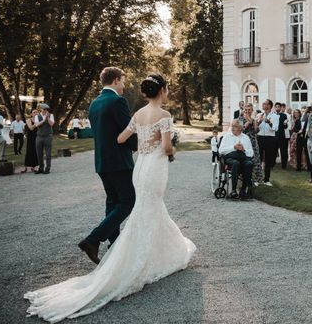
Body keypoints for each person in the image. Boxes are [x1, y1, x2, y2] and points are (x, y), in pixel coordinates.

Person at [26, 73, 196, 321]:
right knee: (142, 207)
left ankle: (120, 248)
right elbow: (168, 148)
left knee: (131, 206)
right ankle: (117, 250)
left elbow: (120, 137)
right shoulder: (162, 115)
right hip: (152, 168)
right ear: (161, 91)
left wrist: (146, 141)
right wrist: (165, 144)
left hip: (129, 167)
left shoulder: (128, 112)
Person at [77, 67, 139, 264]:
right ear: (114, 80)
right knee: (128, 201)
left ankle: (115, 245)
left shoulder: (94, 103)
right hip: (119, 162)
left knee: (113, 201)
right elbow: (127, 129)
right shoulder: (117, 101)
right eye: (122, 81)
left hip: (102, 162)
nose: (123, 85)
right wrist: (137, 145)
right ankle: (93, 239)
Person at [219, 121, 254, 199]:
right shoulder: (227, 136)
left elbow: (251, 153)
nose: (232, 128)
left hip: (243, 158)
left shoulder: (246, 137)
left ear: (240, 128)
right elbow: (221, 151)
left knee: (249, 164)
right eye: (232, 126)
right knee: (235, 163)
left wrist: (244, 150)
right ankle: (233, 190)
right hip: (230, 159)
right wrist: (234, 147)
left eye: (235, 126)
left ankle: (243, 190)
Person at [256, 99, 279, 186]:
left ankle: (266, 179)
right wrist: (260, 121)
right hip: (260, 137)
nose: (263, 105)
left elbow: (275, 128)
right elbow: (256, 128)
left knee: (268, 159)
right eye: (263, 103)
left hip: (270, 138)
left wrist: (269, 123)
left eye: (264, 104)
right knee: (259, 158)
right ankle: (257, 179)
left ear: (269, 106)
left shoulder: (275, 116)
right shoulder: (259, 115)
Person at [240, 103, 261, 185]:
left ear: (252, 110)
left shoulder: (254, 118)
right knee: (245, 159)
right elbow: (242, 129)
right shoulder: (241, 118)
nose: (248, 111)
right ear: (244, 110)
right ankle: (243, 177)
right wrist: (249, 121)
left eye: (249, 110)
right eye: (246, 110)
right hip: (244, 141)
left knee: (255, 159)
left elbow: (256, 130)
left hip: (253, 141)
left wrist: (255, 122)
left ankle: (255, 179)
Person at [34, 104, 55, 174]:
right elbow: (36, 125)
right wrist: (43, 120)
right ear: (41, 109)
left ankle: (47, 168)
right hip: (39, 137)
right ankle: (41, 168)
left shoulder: (51, 115)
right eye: (44, 109)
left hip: (48, 136)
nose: (45, 111)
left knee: (48, 153)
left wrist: (47, 118)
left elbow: (52, 124)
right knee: (39, 153)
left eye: (46, 109)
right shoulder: (37, 116)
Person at [275, 102, 290, 169]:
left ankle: (284, 165)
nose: (277, 108)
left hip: (281, 135)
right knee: (273, 150)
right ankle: (272, 164)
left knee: (283, 151)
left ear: (281, 108)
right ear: (274, 108)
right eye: (276, 107)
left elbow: (285, 126)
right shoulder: (273, 115)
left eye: (278, 107)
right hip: (274, 135)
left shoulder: (284, 115)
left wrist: (285, 123)